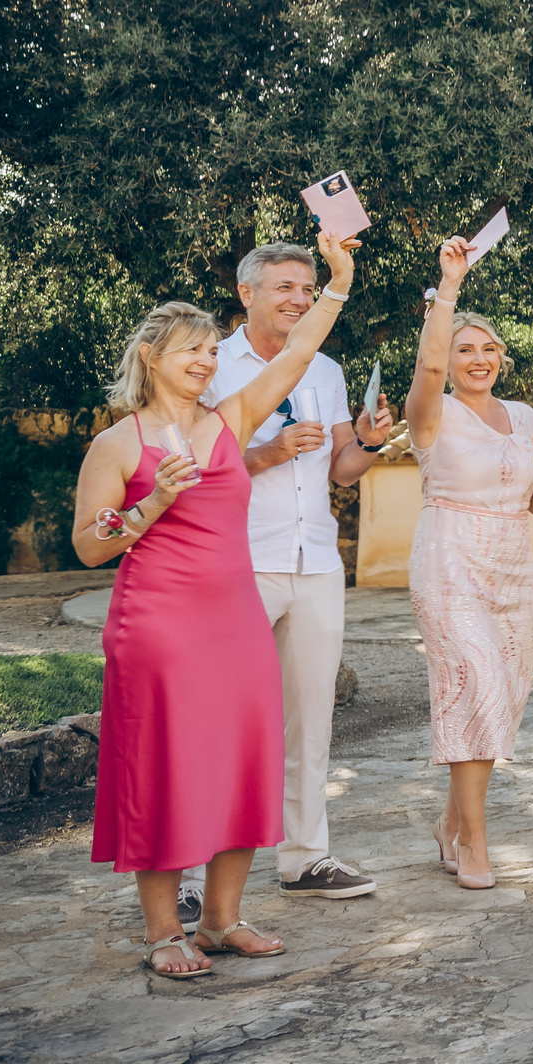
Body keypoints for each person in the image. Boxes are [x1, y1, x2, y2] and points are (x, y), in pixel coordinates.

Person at [71, 231, 357, 978]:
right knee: (164, 767)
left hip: (235, 619)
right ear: (151, 360)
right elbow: (92, 546)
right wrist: (153, 502)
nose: (204, 360)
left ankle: (225, 919)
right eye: (189, 351)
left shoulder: (226, 422)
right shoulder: (118, 444)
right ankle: (165, 929)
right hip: (158, 624)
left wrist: (338, 281)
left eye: (208, 350)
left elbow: (296, 355)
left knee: (241, 763)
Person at [173, 241, 399, 925]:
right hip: (235, 563)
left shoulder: (324, 367)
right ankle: (187, 871)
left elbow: (343, 468)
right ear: (246, 293)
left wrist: (369, 437)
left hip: (316, 565)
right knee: (216, 720)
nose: (300, 299)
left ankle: (305, 857)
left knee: (311, 717)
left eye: (308, 288)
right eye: (287, 287)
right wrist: (267, 453)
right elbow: (185, 460)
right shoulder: (212, 365)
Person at [406, 238, 533, 887]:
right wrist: (449, 288)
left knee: (503, 696)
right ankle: (477, 843)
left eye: (488, 348)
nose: (477, 358)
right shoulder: (430, 412)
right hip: (449, 558)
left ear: (502, 359)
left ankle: (449, 822)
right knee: (477, 688)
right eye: (465, 348)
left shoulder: (523, 415)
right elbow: (426, 372)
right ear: (449, 359)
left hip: (512, 564)